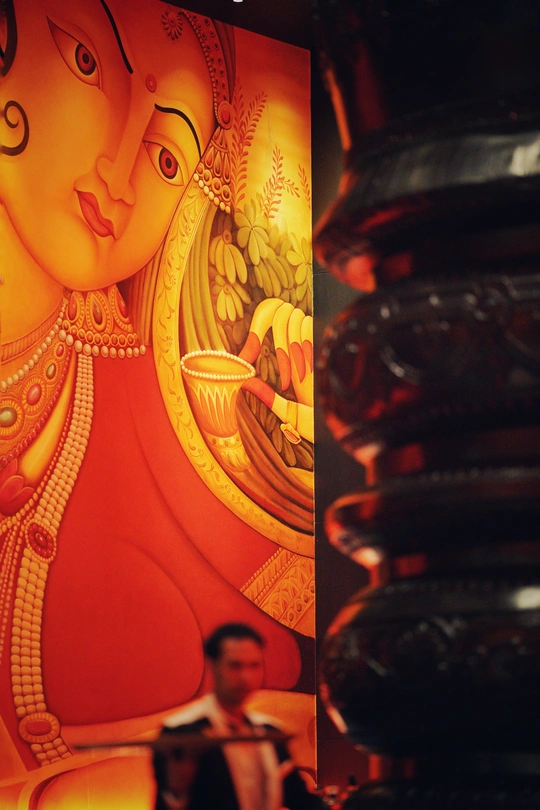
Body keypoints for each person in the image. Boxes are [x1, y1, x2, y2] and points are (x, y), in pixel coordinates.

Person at [0, 1, 314, 805]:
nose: (117, 178)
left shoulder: (161, 408)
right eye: (85, 62)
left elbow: (302, 692)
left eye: (167, 156)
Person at [154, 623, 323, 810]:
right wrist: (176, 792)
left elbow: (299, 798)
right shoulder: (182, 732)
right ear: (213, 666)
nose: (246, 677)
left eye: (254, 666)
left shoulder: (270, 731)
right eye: (235, 666)